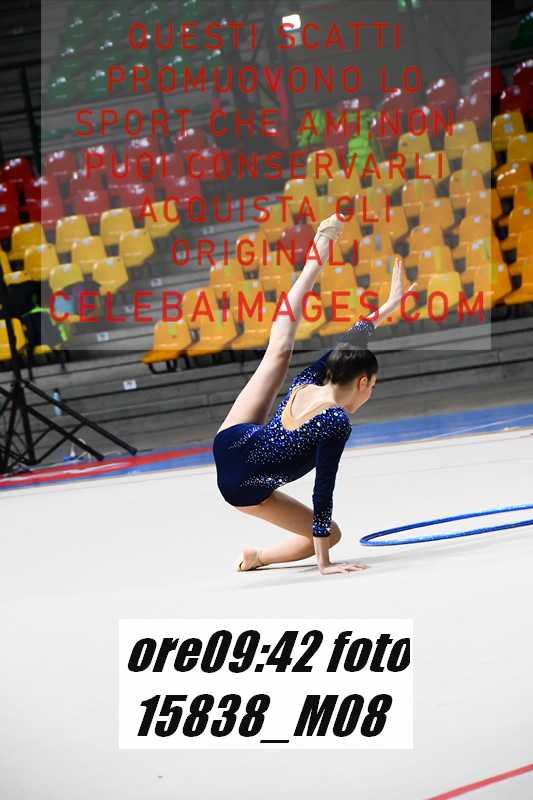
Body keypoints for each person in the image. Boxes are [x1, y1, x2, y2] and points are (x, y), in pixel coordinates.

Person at [212, 213, 416, 576]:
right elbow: (323, 491)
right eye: (373, 386)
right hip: (241, 487)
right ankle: (260, 557)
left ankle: (314, 261)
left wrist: (388, 306)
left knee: (278, 350)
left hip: (231, 440)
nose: (371, 393)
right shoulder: (334, 421)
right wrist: (324, 563)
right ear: (362, 383)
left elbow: (350, 342)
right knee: (330, 534)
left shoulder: (307, 382)